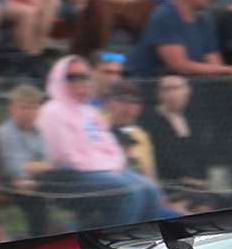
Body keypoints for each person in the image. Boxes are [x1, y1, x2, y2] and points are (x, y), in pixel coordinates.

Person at [35, 54, 165, 222]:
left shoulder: (88, 111)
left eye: (84, 76)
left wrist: (112, 165)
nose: (81, 81)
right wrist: (105, 166)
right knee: (129, 191)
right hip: (68, 176)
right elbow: (65, 157)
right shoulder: (53, 111)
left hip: (100, 170)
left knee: (150, 189)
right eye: (73, 77)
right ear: (59, 78)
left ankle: (145, 236)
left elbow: (109, 144)